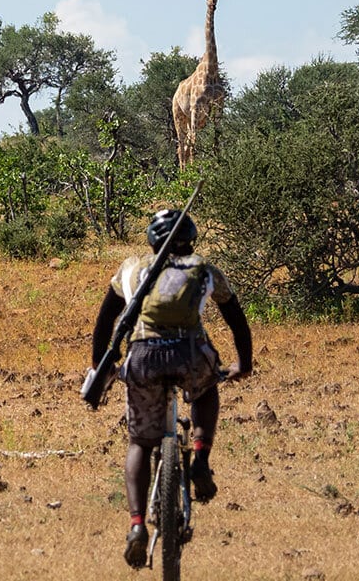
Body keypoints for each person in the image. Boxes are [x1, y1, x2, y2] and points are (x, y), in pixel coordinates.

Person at [90, 209, 253, 569]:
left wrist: (101, 366)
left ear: (152, 240)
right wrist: (243, 363)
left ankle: (136, 524)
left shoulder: (131, 268)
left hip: (143, 358)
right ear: (191, 240)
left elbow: (104, 323)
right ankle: (201, 457)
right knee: (207, 389)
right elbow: (236, 320)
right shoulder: (204, 269)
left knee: (139, 442)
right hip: (189, 355)